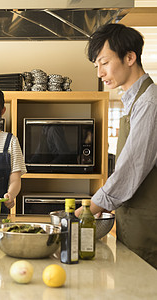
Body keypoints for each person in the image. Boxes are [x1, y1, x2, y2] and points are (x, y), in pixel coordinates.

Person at [75, 23, 156, 269]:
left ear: (130, 57)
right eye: (96, 65)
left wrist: (89, 208)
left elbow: (131, 167)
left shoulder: (150, 104)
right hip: (135, 221)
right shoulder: (134, 101)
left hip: (149, 227)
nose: (99, 72)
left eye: (104, 62)